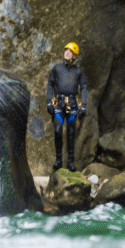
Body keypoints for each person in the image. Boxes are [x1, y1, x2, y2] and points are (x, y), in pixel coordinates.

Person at [46, 41, 88, 171]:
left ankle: (70, 162)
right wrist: (49, 101)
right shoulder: (57, 69)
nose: (67, 52)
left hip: (72, 105)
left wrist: (83, 105)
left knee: (71, 133)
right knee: (58, 131)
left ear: (74, 56)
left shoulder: (78, 71)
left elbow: (84, 87)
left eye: (70, 51)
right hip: (59, 103)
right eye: (66, 50)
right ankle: (58, 160)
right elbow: (50, 84)